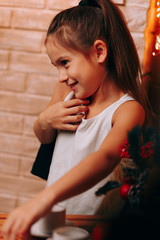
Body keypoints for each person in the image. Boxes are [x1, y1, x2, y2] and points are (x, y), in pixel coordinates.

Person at [1, 0, 148, 239]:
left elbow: (107, 156)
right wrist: (44, 121)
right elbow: (44, 136)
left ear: (99, 52)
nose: (61, 76)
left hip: (89, 228)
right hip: (53, 219)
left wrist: (44, 198)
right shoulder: (64, 92)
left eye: (65, 63)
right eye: (56, 66)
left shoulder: (128, 111)